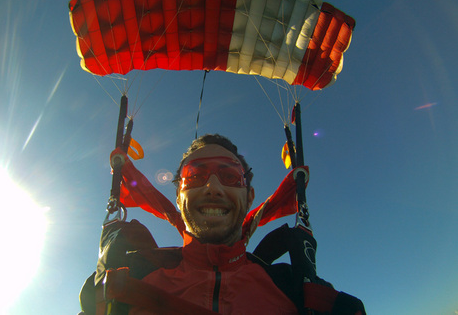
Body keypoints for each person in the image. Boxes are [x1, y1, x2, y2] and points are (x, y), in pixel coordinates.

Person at [79, 134, 365, 315]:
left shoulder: (297, 291)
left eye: (230, 177)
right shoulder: (130, 281)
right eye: (195, 176)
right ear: (178, 198)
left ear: (249, 196)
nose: (212, 188)